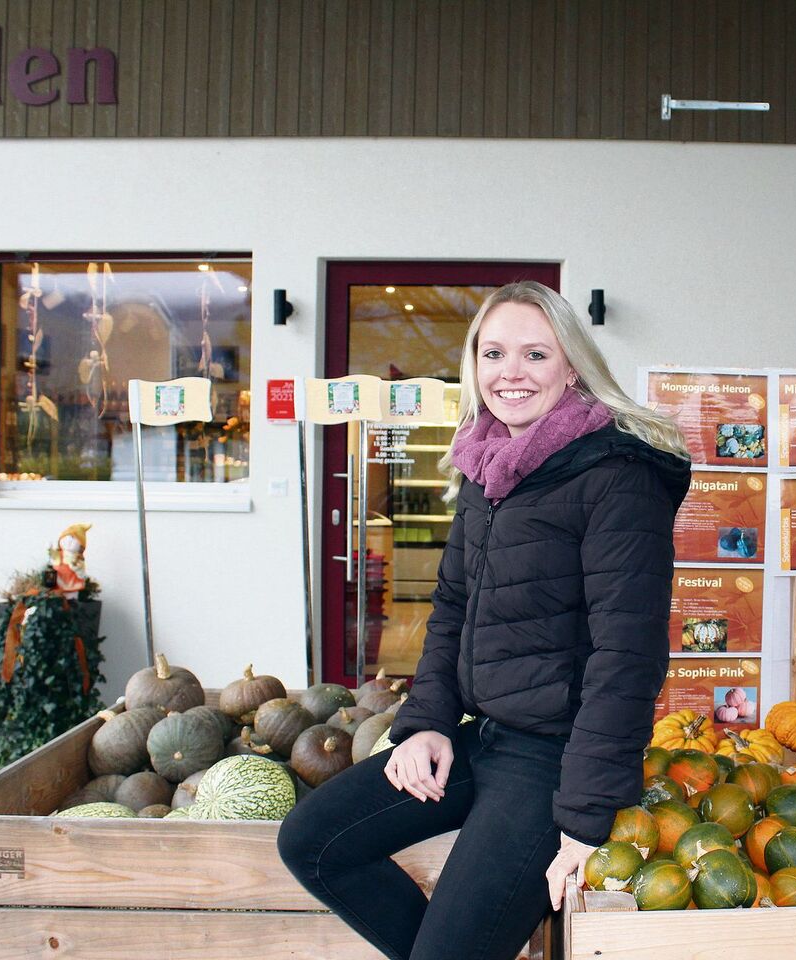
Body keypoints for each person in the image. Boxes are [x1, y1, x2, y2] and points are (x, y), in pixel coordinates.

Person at [278, 281, 692, 960]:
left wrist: (584, 818)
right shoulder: (487, 468)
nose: (510, 372)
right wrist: (427, 724)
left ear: (572, 366)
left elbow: (627, 655)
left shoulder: (618, 475)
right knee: (313, 841)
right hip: (486, 738)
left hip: (556, 762)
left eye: (535, 354)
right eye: (493, 353)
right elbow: (453, 608)